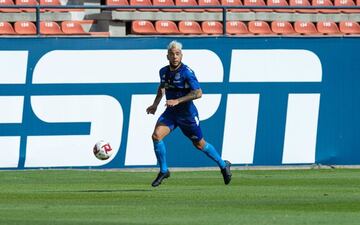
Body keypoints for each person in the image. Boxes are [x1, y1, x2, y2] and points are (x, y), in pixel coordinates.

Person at [146, 40, 232, 187]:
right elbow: (162, 88)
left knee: (199, 144)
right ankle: (164, 170)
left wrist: (178, 101)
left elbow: (198, 93)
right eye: (172, 54)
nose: (175, 56)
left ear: (181, 55)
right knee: (156, 136)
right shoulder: (163, 72)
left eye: (177, 54)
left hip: (187, 115)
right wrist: (155, 104)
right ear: (167, 56)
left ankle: (223, 165)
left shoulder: (186, 72)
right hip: (171, 114)